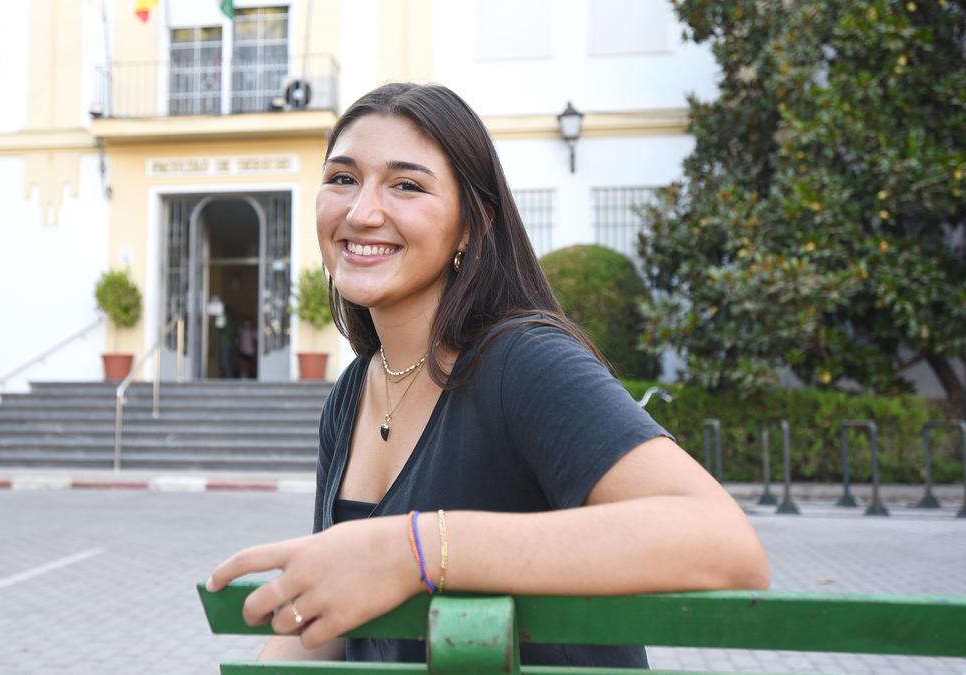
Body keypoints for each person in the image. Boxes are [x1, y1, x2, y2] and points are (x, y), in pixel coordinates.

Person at [205, 83, 769, 668]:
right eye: (342, 178)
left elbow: (724, 542)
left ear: (472, 226)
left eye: (407, 185)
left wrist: (414, 549)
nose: (361, 212)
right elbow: (325, 625)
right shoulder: (351, 393)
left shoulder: (521, 361)